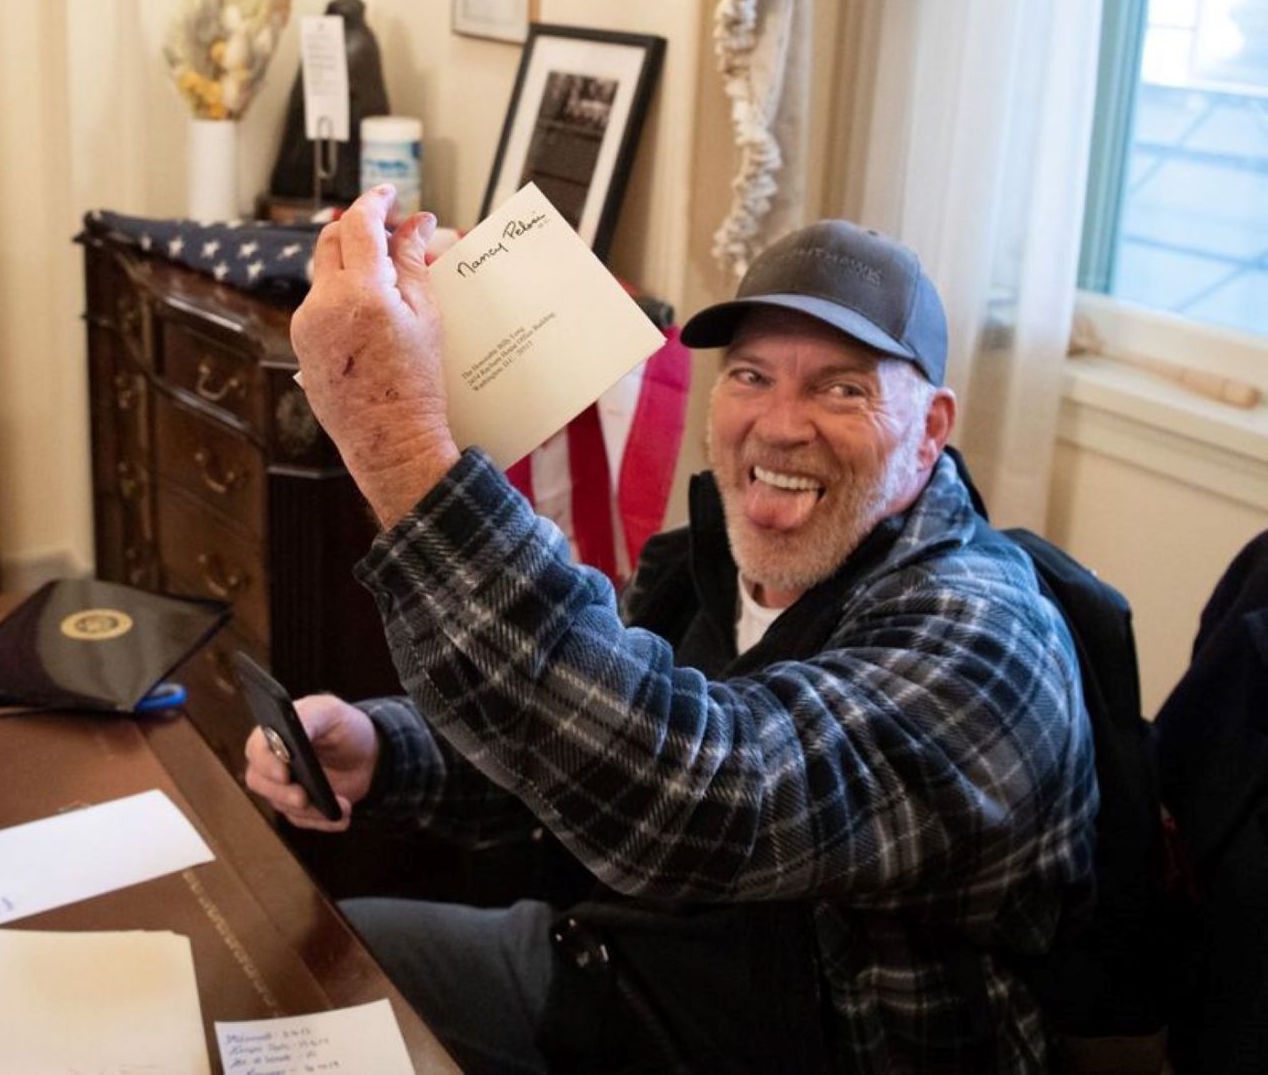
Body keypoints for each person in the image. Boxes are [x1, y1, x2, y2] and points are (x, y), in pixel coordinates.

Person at [245, 188, 1096, 1072]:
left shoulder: (986, 634)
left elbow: (700, 802)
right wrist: (382, 750)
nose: (779, 423)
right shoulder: (710, 562)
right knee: (297, 982)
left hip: (797, 1047)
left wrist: (398, 437)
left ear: (930, 431)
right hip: (612, 977)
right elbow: (583, 743)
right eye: (751, 375)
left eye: (841, 388)